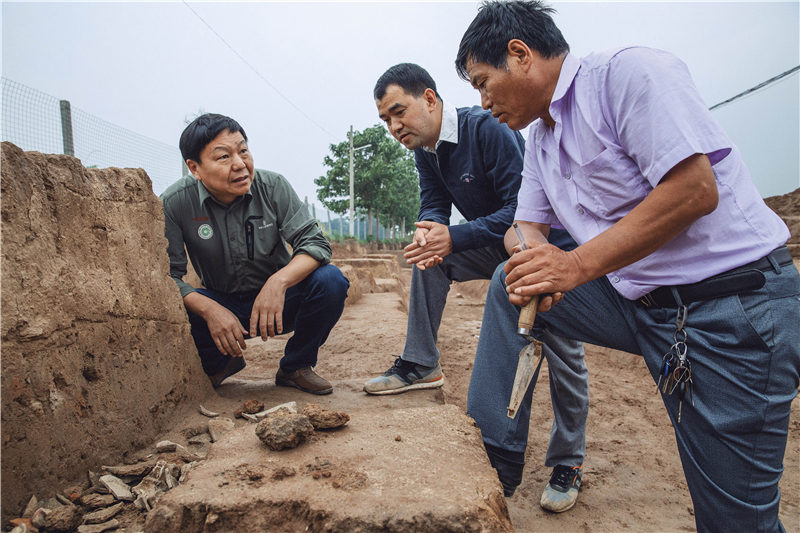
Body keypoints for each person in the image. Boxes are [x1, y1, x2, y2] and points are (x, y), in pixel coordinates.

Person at [455, 2, 800, 531]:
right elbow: (525, 224)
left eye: (483, 82)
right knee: (511, 282)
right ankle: (492, 464)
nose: (482, 103)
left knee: (734, 522)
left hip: (733, 307)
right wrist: (529, 252)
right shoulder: (543, 142)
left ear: (519, 55)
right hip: (647, 306)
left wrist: (570, 266)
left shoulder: (626, 74)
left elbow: (694, 190)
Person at [368, 63, 590, 507]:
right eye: (385, 121)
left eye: (399, 112)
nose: (394, 128)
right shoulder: (424, 148)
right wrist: (430, 229)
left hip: (545, 247)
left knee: (561, 348)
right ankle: (420, 361)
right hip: (493, 243)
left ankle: (569, 461)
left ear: (429, 98)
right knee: (429, 257)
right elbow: (434, 201)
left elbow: (522, 210)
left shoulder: (487, 128)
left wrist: (454, 236)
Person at [161, 113, 349, 394]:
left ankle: (296, 366)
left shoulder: (273, 187)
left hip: (278, 302)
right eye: (223, 157)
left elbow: (316, 244)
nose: (240, 164)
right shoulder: (175, 203)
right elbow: (168, 277)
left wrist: (278, 282)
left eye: (243, 151)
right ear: (195, 168)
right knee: (181, 306)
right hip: (222, 303)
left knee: (331, 281)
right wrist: (210, 309)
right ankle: (222, 362)